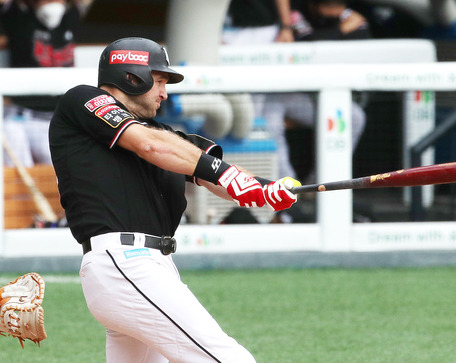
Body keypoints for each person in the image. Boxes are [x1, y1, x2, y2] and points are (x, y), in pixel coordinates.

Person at [49, 37, 300, 362]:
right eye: (160, 81)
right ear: (132, 74)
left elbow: (212, 174)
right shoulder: (83, 100)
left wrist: (265, 189)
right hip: (125, 262)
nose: (164, 93)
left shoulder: (163, 133)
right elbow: (151, 145)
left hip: (148, 267)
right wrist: (227, 175)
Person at [261, 0, 369, 179]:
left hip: (323, 93)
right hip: (283, 93)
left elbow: (364, 42)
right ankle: (287, 189)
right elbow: (310, 45)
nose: (334, 12)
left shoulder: (349, 16)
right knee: (269, 123)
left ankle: (321, 185)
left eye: (338, 6)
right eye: (329, 7)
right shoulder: (295, 13)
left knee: (355, 117)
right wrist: (341, 31)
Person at [0, 0, 92, 167]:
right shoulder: (18, 17)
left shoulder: (70, 17)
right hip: (22, 118)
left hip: (56, 120)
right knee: (20, 176)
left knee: (65, 174)